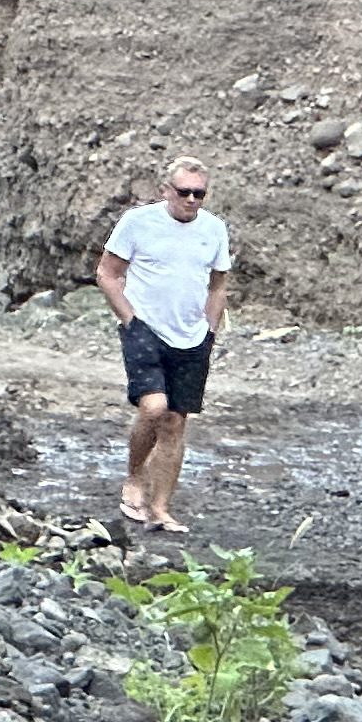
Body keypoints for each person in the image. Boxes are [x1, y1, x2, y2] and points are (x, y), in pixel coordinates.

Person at [98, 160, 233, 537]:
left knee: (175, 421)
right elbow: (107, 274)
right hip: (145, 327)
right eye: (184, 191)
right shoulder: (137, 223)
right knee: (153, 406)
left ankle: (160, 508)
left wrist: (210, 329)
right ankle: (134, 476)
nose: (191, 200)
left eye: (199, 193)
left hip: (192, 336)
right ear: (165, 190)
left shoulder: (214, 229)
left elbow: (218, 283)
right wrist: (129, 319)